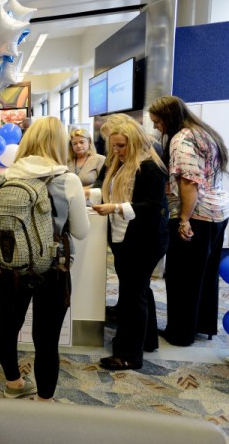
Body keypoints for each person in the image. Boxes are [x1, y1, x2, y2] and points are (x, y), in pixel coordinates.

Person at [0, 117, 88, 400]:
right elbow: (82, 232)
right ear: (59, 143)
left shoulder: (6, 175)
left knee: (8, 328)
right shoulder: (67, 179)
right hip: (52, 268)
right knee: (46, 340)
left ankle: (14, 384)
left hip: (12, 265)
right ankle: (45, 400)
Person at [149, 95, 229, 346]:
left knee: (182, 277)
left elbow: (189, 181)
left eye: (157, 122)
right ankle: (201, 325)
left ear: (168, 118)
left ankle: (180, 333)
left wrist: (184, 219)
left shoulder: (182, 138)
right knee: (203, 276)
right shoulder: (204, 132)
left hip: (196, 215)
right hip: (218, 212)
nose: (155, 127)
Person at [92, 114, 168, 370]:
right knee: (138, 291)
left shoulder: (150, 166)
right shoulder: (120, 163)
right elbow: (106, 184)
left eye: (121, 145)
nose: (115, 150)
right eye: (114, 145)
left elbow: (151, 206)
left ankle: (129, 355)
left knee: (132, 296)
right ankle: (146, 342)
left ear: (134, 142)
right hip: (125, 236)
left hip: (143, 240)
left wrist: (115, 207)